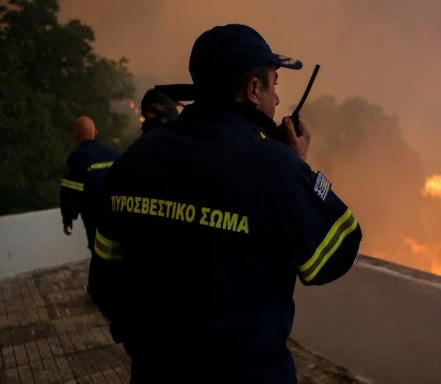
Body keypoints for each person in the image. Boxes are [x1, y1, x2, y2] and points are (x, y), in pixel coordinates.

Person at [92, 24, 363, 383]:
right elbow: (334, 256)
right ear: (253, 90)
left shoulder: (133, 159)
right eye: (275, 85)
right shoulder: (277, 168)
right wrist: (298, 166)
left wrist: (145, 344)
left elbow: (104, 279)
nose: (278, 101)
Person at [59, 116, 120, 312]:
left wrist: (68, 217)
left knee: (98, 251)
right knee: (114, 252)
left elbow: (70, 192)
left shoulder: (77, 159)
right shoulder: (113, 154)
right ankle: (111, 290)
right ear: (95, 132)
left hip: (94, 216)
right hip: (116, 214)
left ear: (76, 134)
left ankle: (97, 292)